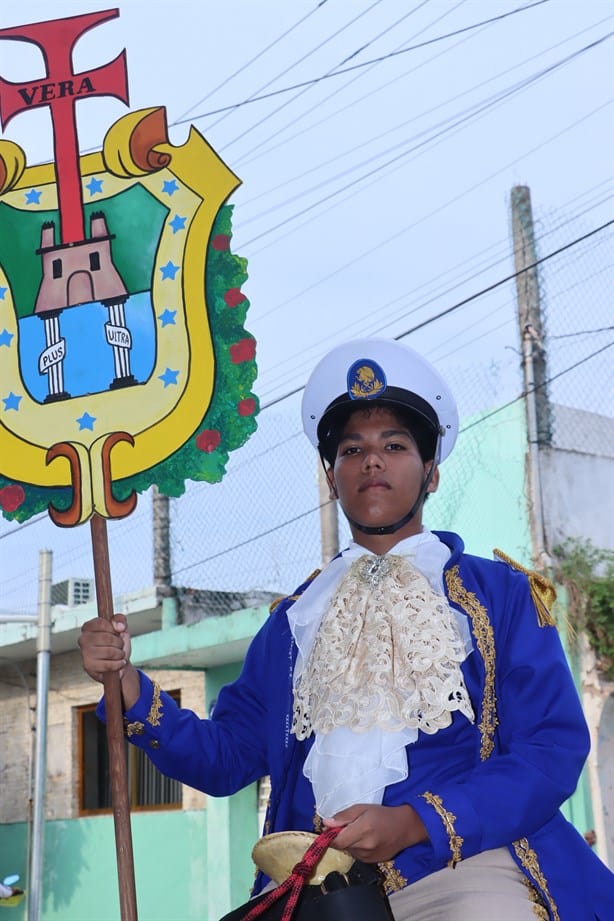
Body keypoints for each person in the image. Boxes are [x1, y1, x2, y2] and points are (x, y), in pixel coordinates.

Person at [79, 338, 614, 920]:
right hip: (315, 888)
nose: (372, 460)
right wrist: (126, 684)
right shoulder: (291, 622)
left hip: (466, 869)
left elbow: (549, 750)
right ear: (333, 478)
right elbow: (226, 757)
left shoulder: (503, 596)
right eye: (352, 449)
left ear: (431, 471)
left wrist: (416, 822)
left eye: (395, 445)